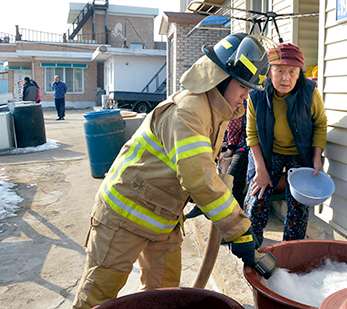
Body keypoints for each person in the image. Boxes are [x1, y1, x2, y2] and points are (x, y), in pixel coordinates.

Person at [72, 33, 271, 309]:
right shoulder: (188, 112)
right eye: (242, 86)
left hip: (163, 220)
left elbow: (197, 170)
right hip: (123, 216)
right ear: (220, 78)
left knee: (163, 298)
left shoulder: (217, 111)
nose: (246, 96)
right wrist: (238, 230)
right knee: (97, 297)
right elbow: (198, 178)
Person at [244, 42, 328, 248]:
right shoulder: (256, 95)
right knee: (257, 200)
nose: (286, 78)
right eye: (279, 70)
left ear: (299, 73)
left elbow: (320, 123)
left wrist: (317, 157)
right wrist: (261, 170)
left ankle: (290, 254)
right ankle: (251, 252)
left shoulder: (309, 92)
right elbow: (252, 134)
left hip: (299, 152)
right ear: (269, 72)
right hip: (268, 152)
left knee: (298, 208)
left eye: (292, 71)